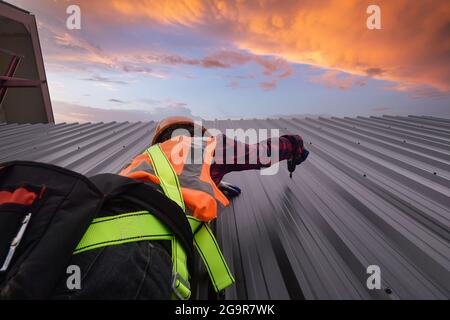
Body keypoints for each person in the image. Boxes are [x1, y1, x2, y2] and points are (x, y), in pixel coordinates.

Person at [0, 116, 308, 300]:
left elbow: (168, 189)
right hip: (132, 255)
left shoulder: (137, 166)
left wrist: (216, 187)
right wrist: (295, 147)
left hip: (73, 250)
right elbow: (261, 152)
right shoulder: (200, 146)